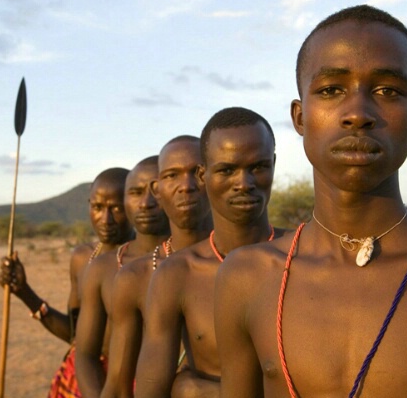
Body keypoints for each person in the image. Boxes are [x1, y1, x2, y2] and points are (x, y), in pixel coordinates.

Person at [214, 5, 407, 397]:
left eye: (387, 90)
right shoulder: (247, 277)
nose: (357, 113)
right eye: (332, 90)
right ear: (300, 118)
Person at [135, 107, 292, 397]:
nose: (244, 184)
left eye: (258, 167)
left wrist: (196, 391)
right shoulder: (177, 274)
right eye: (227, 170)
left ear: (273, 164)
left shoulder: (303, 256)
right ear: (203, 176)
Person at [0, 167, 134, 398]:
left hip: (130, 382)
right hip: (79, 378)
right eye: (98, 207)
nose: (105, 219)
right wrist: (25, 293)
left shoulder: (149, 261)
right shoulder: (82, 258)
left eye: (117, 208)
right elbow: (74, 335)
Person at [101, 135, 213, 398]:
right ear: (157, 190)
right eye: (172, 175)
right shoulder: (135, 277)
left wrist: (195, 391)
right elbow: (117, 386)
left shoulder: (247, 263)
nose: (186, 186)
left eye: (197, 172)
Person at [75, 156, 171, 397]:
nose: (146, 203)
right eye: (136, 192)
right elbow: (85, 353)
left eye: (156, 191)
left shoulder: (195, 262)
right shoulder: (103, 268)